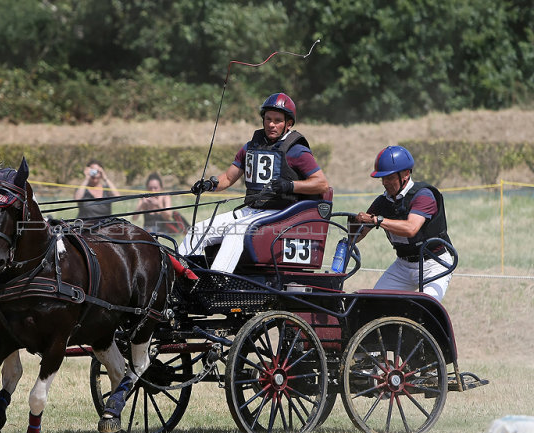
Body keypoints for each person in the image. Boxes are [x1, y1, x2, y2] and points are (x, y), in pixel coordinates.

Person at [178, 92, 329, 272]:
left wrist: (290, 185)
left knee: (237, 230)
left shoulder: (297, 151)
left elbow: (322, 184)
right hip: (251, 211)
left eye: (278, 120)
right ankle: (179, 276)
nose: (271, 124)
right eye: (268, 119)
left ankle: (218, 281)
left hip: (280, 213)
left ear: (288, 124)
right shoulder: (251, 147)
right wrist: (210, 184)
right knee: (198, 230)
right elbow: (227, 178)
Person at [351, 145, 453, 302]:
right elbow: (357, 236)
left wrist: (378, 220)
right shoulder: (382, 202)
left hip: (433, 263)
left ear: (406, 174)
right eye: (382, 178)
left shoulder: (423, 195)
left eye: (390, 177)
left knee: (426, 309)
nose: (385, 182)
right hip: (403, 265)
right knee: (372, 304)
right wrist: (354, 224)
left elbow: (411, 229)